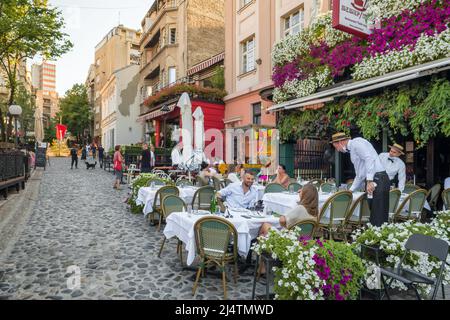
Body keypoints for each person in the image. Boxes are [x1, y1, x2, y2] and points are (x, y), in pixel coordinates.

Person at [257, 184, 319, 274]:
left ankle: (261, 265)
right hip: (303, 244)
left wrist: (286, 226)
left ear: (305, 194)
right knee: (263, 236)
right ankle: (263, 266)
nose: (299, 192)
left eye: (301, 191)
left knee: (265, 225)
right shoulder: (316, 212)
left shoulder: (300, 208)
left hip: (288, 244)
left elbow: (282, 220)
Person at [331, 132, 389, 227]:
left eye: (336, 147)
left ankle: (380, 239)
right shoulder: (352, 150)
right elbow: (360, 174)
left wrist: (369, 181)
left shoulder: (356, 143)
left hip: (378, 179)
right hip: (374, 179)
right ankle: (376, 238)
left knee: (379, 216)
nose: (337, 150)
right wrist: (350, 190)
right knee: (374, 215)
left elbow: (369, 158)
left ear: (340, 142)